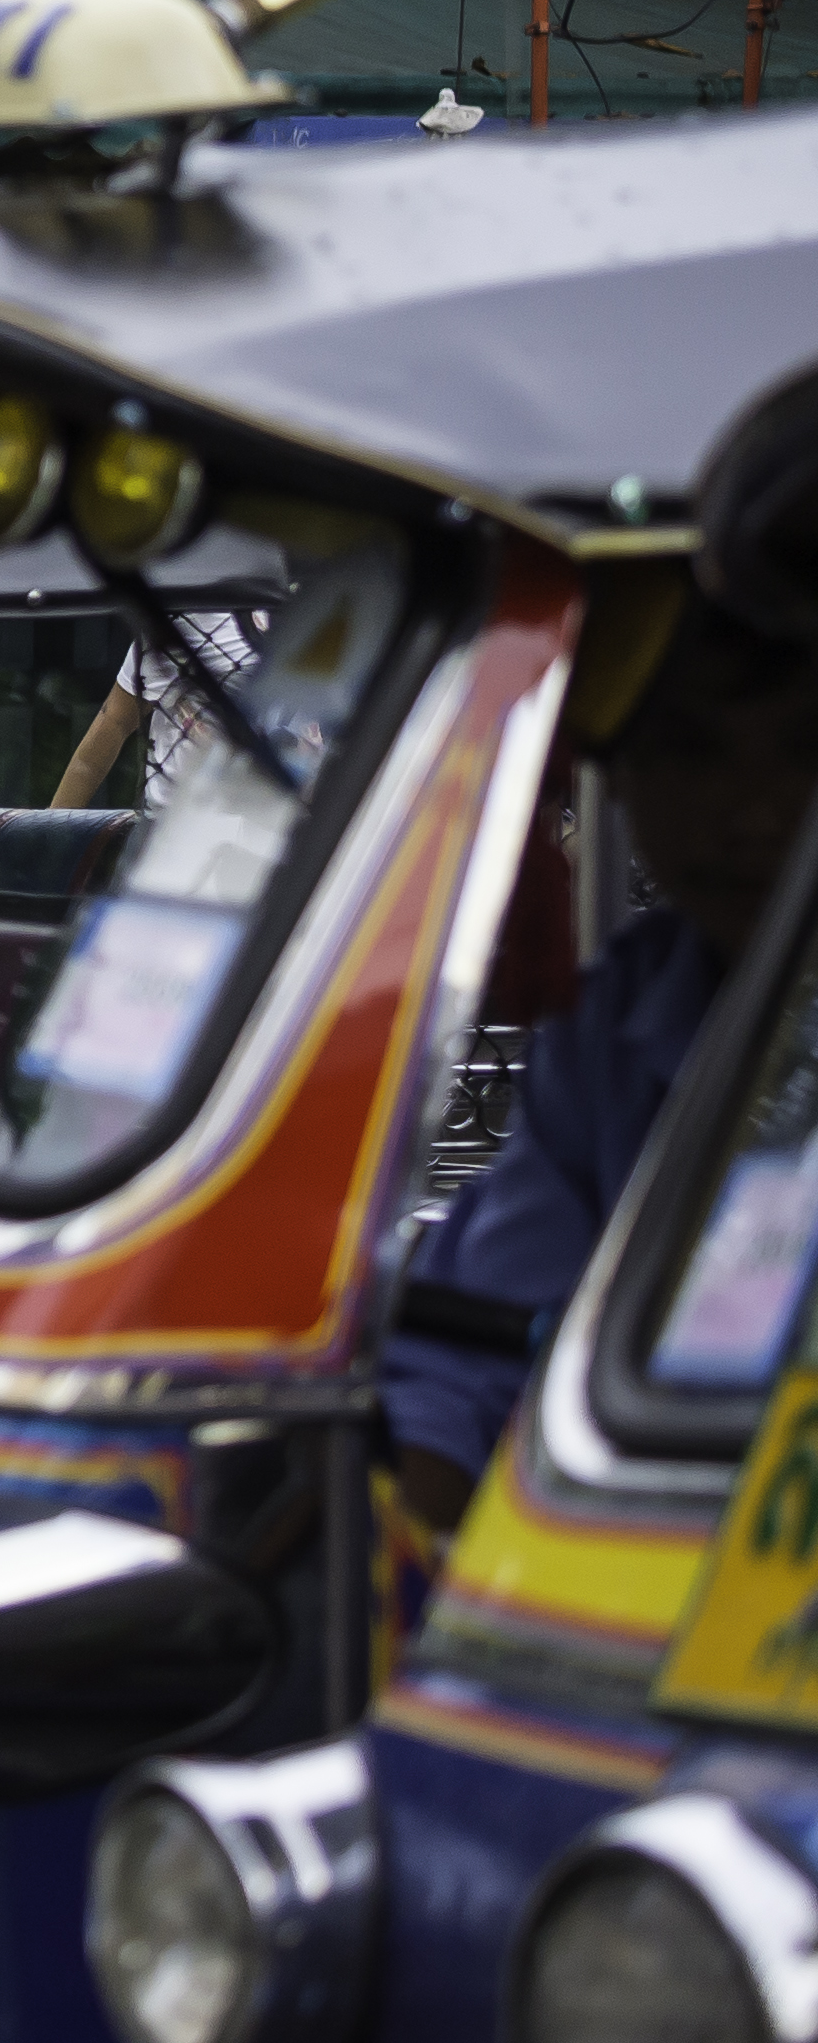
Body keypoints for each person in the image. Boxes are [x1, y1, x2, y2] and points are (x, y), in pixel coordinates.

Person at [387, 597, 818, 1532]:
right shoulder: (619, 1023)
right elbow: (477, 1348)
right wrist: (397, 1548)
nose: (752, 813)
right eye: (692, 752)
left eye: (803, 747)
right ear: (613, 777)